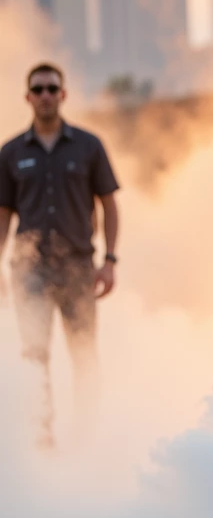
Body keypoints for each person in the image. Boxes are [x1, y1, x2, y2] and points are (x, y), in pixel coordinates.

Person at [0, 63, 119, 443]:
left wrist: (110, 261)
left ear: (63, 94)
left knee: (83, 353)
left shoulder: (88, 145)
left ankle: (88, 433)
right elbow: (3, 213)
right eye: (39, 89)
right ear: (28, 97)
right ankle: (42, 439)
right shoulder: (11, 152)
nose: (46, 95)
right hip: (29, 270)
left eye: (53, 88)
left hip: (79, 267)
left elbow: (109, 204)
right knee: (35, 356)